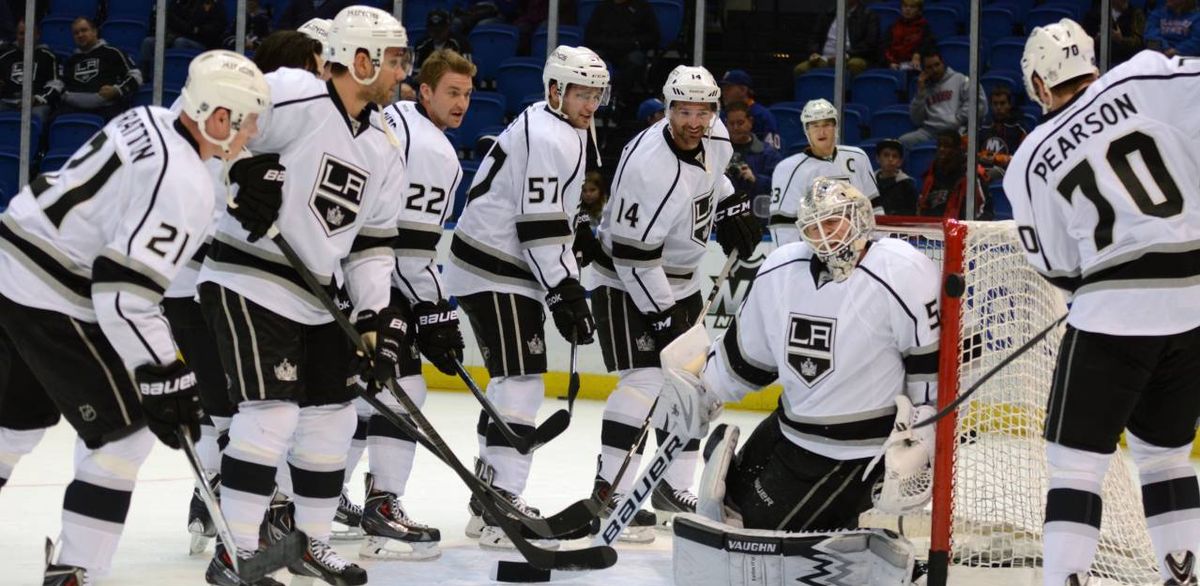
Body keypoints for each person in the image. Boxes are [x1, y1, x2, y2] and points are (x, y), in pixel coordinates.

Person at [0, 49, 268, 585]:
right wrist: (166, 370)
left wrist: (231, 188)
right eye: (248, 122)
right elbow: (122, 294)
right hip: (54, 291)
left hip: (13, 258)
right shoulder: (185, 184)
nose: (253, 134)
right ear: (219, 118)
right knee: (125, 434)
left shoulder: (147, 117)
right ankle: (77, 573)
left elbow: (138, 203)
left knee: (13, 424)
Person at [195, 6, 409, 585]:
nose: (402, 73)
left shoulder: (385, 144)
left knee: (332, 419)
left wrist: (372, 316)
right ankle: (236, 551)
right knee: (271, 413)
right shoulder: (295, 92)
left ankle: (308, 543)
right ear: (359, 60)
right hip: (248, 275)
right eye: (394, 60)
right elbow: (209, 128)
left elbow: (371, 244)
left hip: (317, 293)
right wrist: (238, 175)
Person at [1004, 18, 1200, 586]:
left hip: (1112, 312)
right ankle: (1183, 577)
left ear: (1038, 83)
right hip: (1193, 301)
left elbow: (1058, 265)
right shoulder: (1146, 75)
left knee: (1075, 467)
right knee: (1166, 456)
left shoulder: (1031, 156)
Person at [682, 177, 940, 545]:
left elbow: (930, 366)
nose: (824, 237)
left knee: (756, 531)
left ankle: (851, 517)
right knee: (728, 505)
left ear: (859, 218)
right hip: (789, 428)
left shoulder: (902, 271)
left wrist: (924, 434)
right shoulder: (782, 267)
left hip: (856, 452)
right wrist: (703, 390)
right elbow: (748, 359)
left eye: (833, 222)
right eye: (814, 228)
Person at [442, 44, 608, 550]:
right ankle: (501, 506)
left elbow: (551, 205)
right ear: (555, 90)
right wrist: (564, 289)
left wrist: (577, 229)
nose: (590, 104)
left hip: (495, 263)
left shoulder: (561, 124)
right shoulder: (550, 134)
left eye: (597, 94)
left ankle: (488, 499)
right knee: (522, 381)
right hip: (496, 266)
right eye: (581, 93)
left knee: (511, 381)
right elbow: (535, 225)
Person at [587, 65, 763, 537]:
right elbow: (632, 257)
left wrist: (730, 208)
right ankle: (610, 489)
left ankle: (671, 486)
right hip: (624, 279)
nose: (694, 122)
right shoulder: (648, 167)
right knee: (645, 380)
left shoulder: (716, 136)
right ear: (668, 110)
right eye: (684, 112)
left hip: (681, 278)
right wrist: (664, 319)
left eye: (702, 112)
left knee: (692, 382)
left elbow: (713, 177)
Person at [178, 26, 332, 560]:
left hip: (201, 283)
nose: (323, 82)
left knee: (239, 410)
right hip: (208, 284)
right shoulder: (247, 117)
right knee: (248, 411)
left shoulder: (259, 122)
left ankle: (226, 506)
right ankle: (235, 511)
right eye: (319, 69)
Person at [352, 47, 474, 562]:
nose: (461, 103)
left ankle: (307, 497)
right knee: (404, 390)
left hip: (349, 271)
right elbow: (409, 249)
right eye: (451, 92)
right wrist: (435, 309)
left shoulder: (394, 118)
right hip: (375, 281)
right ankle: (381, 507)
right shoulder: (433, 151)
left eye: (467, 94)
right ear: (424, 91)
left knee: (361, 396)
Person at [769, 98, 878, 246]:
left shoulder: (858, 157)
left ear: (836, 127)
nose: (821, 132)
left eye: (827, 125)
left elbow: (874, 207)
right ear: (806, 131)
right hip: (817, 248)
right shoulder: (788, 169)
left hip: (858, 245)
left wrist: (874, 244)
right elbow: (782, 223)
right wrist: (792, 256)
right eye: (815, 126)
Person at [583, 0, 658, 118]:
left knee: (634, 61)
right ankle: (601, 103)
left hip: (630, 49)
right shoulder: (603, 8)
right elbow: (590, 37)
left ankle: (618, 100)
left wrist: (634, 42)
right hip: (607, 49)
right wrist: (608, 43)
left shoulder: (642, 7)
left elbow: (653, 36)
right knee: (596, 61)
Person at [899, 49, 987, 149]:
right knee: (903, 142)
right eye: (929, 67)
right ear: (924, 70)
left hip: (954, 131)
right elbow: (916, 119)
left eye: (937, 65)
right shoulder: (924, 87)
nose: (935, 70)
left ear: (943, 63)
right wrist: (921, 93)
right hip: (929, 132)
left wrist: (958, 118)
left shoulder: (959, 79)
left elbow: (979, 103)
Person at [60, 16, 141, 122]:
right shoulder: (70, 60)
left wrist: (117, 90)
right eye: (76, 33)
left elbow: (136, 76)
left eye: (84, 30)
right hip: (73, 110)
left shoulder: (113, 53)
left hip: (106, 110)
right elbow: (62, 85)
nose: (80, 35)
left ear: (95, 32)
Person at [793, 0, 881, 77]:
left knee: (855, 64)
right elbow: (814, 37)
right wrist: (814, 53)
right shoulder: (828, 13)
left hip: (851, 57)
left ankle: (849, 91)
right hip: (824, 59)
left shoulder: (868, 15)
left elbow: (870, 44)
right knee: (800, 69)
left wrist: (845, 56)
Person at [917, 130, 987, 219]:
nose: (941, 149)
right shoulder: (932, 172)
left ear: (957, 149)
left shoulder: (970, 172)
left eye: (947, 146)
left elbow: (984, 209)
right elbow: (922, 204)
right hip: (932, 224)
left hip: (960, 224)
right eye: (939, 146)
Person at [0, 19, 60, 121]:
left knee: (36, 116)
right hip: (8, 102)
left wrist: (37, 98)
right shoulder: (4, 58)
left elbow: (56, 84)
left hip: (36, 104)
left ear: (37, 35)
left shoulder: (48, 56)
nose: (25, 37)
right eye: (21, 33)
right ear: (16, 36)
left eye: (29, 33)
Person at [725, 100, 782, 199]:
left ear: (750, 122)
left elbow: (780, 184)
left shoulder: (768, 153)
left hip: (756, 204)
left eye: (740, 123)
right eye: (731, 123)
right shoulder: (719, 152)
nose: (735, 128)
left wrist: (756, 179)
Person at [718, 69, 781, 150]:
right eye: (722, 89)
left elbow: (773, 151)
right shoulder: (722, 115)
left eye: (728, 88)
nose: (723, 93)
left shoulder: (763, 116)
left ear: (743, 90)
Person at [976, 85, 1027, 183]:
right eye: (995, 104)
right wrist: (981, 156)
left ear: (1009, 105)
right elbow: (972, 153)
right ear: (991, 105)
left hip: (1008, 173)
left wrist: (1003, 159)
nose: (999, 107)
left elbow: (1024, 158)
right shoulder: (982, 128)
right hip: (982, 169)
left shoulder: (1019, 129)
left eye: (1002, 103)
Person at [1084, 0, 1146, 66]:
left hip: (1127, 64)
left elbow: (1140, 44)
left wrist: (1121, 40)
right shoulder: (1094, 15)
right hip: (1100, 64)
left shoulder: (1136, 14)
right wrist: (1096, 40)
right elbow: (1084, 43)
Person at [873, 138, 917, 215]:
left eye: (895, 156)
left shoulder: (907, 184)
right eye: (886, 155)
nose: (890, 159)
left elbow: (911, 212)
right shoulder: (870, 182)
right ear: (878, 159)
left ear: (900, 162)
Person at [883, 0, 931, 71]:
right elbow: (885, 47)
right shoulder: (894, 27)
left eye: (912, 7)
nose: (908, 9)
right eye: (905, 6)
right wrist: (890, 63)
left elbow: (927, 45)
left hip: (914, 66)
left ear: (919, 11)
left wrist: (918, 54)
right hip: (893, 65)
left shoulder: (924, 27)